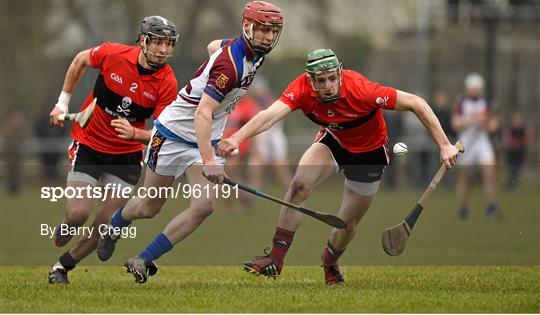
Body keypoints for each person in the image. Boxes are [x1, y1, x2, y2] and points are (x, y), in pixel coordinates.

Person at [217, 49, 459, 285]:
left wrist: (444, 144)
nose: (329, 85)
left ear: (340, 74)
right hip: (335, 140)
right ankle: (276, 258)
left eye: (333, 78)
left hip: (369, 153)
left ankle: (330, 260)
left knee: (347, 224)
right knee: (299, 184)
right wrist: (237, 138)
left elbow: (416, 103)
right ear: (311, 81)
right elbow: (269, 116)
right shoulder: (301, 88)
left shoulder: (361, 90)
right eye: (321, 81)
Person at [96, 1, 284, 284]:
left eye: (274, 31)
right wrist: (209, 161)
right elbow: (202, 112)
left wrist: (207, 153)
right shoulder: (230, 66)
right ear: (248, 27)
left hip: (203, 137)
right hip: (172, 135)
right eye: (263, 30)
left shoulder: (254, 53)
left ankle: (144, 259)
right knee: (149, 206)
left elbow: (212, 45)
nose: (269, 37)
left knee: (204, 206)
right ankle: (115, 225)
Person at [47, 16, 179, 284]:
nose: (163, 50)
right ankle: (69, 223)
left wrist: (135, 134)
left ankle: (61, 267)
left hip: (127, 156)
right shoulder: (113, 54)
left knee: (105, 224)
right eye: (158, 42)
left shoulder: (167, 82)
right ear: (143, 40)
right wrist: (62, 102)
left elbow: (160, 135)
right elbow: (80, 60)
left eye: (168, 44)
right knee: (78, 214)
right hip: (89, 144)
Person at [452, 73, 499, 220]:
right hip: (465, 143)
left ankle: (491, 207)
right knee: (465, 178)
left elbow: (493, 125)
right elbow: (456, 123)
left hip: (481, 141)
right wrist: (474, 119)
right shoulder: (461, 104)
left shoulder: (486, 104)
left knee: (489, 173)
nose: (476, 91)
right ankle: (463, 208)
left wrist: (486, 123)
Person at [502, 112, 533, 191]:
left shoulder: (523, 129)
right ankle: (511, 185)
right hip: (511, 152)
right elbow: (507, 140)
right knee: (512, 169)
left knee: (517, 169)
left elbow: (528, 139)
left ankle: (512, 184)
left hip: (520, 151)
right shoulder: (509, 129)